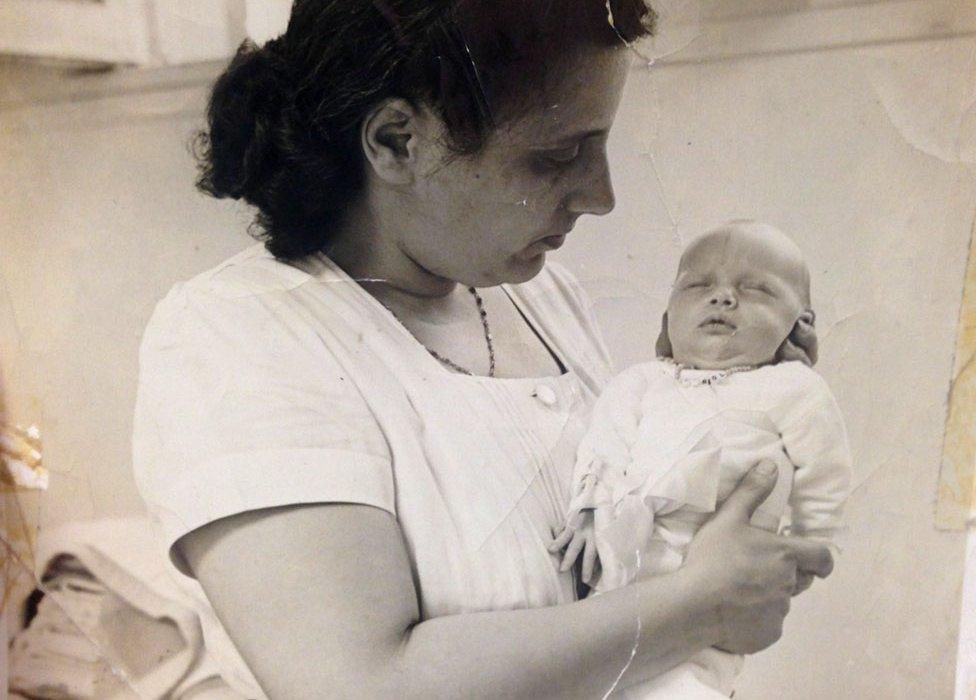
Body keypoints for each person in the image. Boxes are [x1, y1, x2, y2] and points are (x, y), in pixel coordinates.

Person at [132, 2, 835, 697]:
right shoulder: (240, 333)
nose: (601, 195)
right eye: (557, 156)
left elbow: (635, 565)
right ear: (397, 142)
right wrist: (700, 604)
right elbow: (357, 686)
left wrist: (731, 404)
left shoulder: (532, 293)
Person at [553, 221, 852, 698]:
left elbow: (826, 476)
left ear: (801, 325)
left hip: (717, 592)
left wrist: (806, 551)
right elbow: (604, 444)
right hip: (621, 560)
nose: (723, 298)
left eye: (755, 290)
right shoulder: (642, 381)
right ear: (668, 315)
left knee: (689, 682)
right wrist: (589, 507)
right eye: (697, 286)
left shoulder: (795, 389)